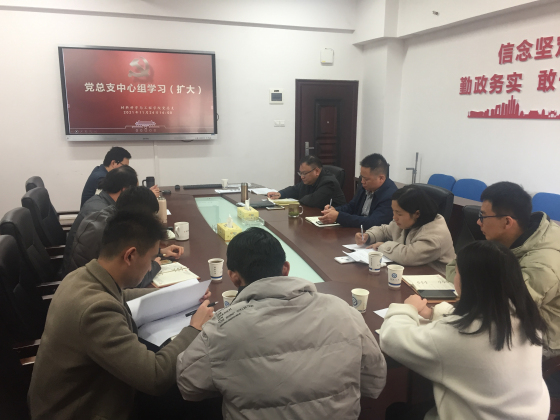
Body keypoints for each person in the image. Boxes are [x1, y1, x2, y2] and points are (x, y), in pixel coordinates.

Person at [176, 227, 387, 420]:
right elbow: (375, 381)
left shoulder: (221, 328)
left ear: (234, 277)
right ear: (285, 268)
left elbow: (188, 385)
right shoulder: (344, 311)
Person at [28, 210, 214, 420]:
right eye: (151, 259)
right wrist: (194, 328)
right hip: (81, 411)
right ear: (130, 256)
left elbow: (121, 295)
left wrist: (179, 294)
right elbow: (156, 378)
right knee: (200, 401)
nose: (151, 267)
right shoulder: (96, 310)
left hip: (88, 391)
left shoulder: (81, 276)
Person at [381, 241, 550, 420]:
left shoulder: (458, 335)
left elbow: (391, 338)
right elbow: (476, 324)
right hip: (524, 414)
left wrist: (408, 308)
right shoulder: (527, 320)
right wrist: (434, 313)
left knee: (396, 411)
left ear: (470, 282)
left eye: (457, 272)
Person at [446, 181, 560, 358]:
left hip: (544, 338)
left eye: (483, 216)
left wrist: (467, 283)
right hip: (510, 319)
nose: (478, 222)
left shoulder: (543, 265)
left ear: (507, 222)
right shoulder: (509, 238)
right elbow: (456, 267)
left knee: (454, 347)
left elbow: (503, 307)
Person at [66, 186, 184, 287]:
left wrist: (159, 252)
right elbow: (130, 281)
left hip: (77, 282)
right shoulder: (112, 231)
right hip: (91, 290)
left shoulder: (107, 216)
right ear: (137, 215)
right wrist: (154, 266)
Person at [356, 185, 455, 273]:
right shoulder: (407, 221)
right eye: (393, 211)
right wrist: (368, 236)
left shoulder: (435, 234)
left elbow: (408, 256)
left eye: (399, 213)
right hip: (413, 273)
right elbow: (386, 230)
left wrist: (383, 246)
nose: (394, 217)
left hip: (436, 281)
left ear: (417, 213)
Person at [63, 165, 138, 274]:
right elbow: (118, 261)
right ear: (124, 190)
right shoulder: (102, 216)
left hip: (82, 271)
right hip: (84, 277)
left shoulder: (99, 200)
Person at [319, 153, 397, 229]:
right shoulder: (366, 187)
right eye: (361, 177)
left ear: (381, 178)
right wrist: (334, 210)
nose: (362, 181)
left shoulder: (391, 196)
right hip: (357, 231)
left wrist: (339, 217)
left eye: (366, 179)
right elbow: (351, 207)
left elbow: (373, 222)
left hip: (373, 234)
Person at [80, 146, 160, 207]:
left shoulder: (100, 170)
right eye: (124, 166)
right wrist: (148, 196)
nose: (125, 169)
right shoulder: (100, 177)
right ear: (113, 163)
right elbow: (124, 198)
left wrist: (147, 192)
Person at [266, 155, 346, 209]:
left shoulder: (329, 183)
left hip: (333, 223)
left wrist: (295, 201)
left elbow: (313, 201)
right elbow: (296, 189)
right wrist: (280, 194)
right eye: (300, 173)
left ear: (317, 171)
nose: (302, 177)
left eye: (304, 173)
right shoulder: (309, 180)